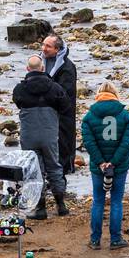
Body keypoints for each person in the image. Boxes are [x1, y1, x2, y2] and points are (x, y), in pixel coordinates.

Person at [12, 54, 70, 220]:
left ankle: (40, 208)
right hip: (49, 133)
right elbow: (65, 106)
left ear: (27, 69)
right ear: (43, 68)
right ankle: (61, 205)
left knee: (34, 171)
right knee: (54, 167)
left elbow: (18, 102)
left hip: (29, 135)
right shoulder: (55, 88)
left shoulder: (20, 89)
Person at [80, 83, 129, 250]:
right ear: (115, 94)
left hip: (99, 167)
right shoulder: (126, 116)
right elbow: (127, 142)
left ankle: (95, 240)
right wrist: (114, 162)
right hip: (119, 166)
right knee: (116, 201)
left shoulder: (89, 117)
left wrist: (101, 162)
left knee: (98, 201)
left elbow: (89, 143)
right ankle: (115, 239)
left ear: (98, 95)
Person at [42, 34, 78, 176]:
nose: (44, 48)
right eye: (43, 45)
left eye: (48, 46)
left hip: (63, 114)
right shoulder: (41, 62)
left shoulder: (67, 67)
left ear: (57, 49)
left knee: (62, 145)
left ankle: (62, 176)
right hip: (45, 114)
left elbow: (65, 95)